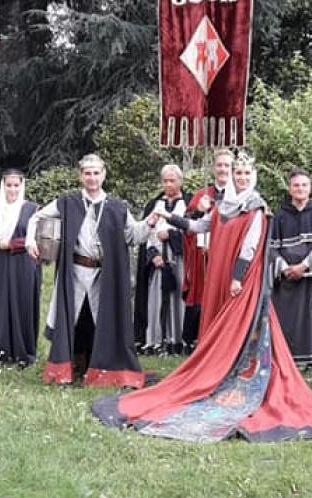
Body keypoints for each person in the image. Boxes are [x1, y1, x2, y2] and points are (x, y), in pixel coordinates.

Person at [92, 155, 312, 442]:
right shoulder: (223, 205)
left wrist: (237, 278)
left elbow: (250, 247)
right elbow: (200, 227)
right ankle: (214, 375)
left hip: (241, 281)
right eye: (238, 172)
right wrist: (170, 217)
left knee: (237, 331)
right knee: (216, 330)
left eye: (247, 172)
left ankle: (233, 379)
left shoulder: (256, 208)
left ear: (254, 175)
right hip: (218, 278)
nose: (242, 177)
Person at [25, 154, 158, 386]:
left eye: (96, 173)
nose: (92, 178)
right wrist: (30, 241)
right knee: (74, 318)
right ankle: (70, 367)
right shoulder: (68, 202)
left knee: (103, 319)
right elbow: (36, 217)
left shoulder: (117, 207)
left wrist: (150, 222)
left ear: (104, 175)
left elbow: (133, 235)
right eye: (88, 173)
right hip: (75, 272)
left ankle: (104, 370)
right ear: (81, 176)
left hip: (104, 275)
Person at [269, 170, 312, 369]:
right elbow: (270, 248)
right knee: (285, 320)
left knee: (310, 322)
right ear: (289, 189)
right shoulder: (279, 216)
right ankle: (285, 360)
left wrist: (303, 267)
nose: (300, 189)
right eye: (296, 185)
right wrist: (284, 268)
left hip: (310, 278)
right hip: (286, 278)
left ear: (310, 188)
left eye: (304, 185)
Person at [0, 167, 40, 366]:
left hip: (23, 263)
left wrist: (11, 244)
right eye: (9, 185)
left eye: (16, 185)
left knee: (22, 303)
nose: (12, 190)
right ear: (3, 186)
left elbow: (38, 239)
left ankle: (23, 352)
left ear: (22, 186)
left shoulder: (32, 209)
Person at [133, 163, 189, 356]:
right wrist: (153, 255)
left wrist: (172, 235)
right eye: (165, 181)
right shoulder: (154, 205)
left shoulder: (188, 204)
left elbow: (193, 231)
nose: (168, 184)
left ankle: (179, 340)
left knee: (180, 298)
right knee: (155, 300)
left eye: (172, 180)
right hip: (157, 261)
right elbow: (147, 233)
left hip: (180, 259)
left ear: (180, 181)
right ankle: (156, 341)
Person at [181, 149, 233, 352]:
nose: (223, 169)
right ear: (213, 168)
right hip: (203, 255)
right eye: (219, 165)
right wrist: (197, 211)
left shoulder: (238, 194)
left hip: (226, 254)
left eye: (227, 165)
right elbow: (188, 225)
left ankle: (226, 340)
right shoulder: (202, 195)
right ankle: (197, 341)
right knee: (202, 294)